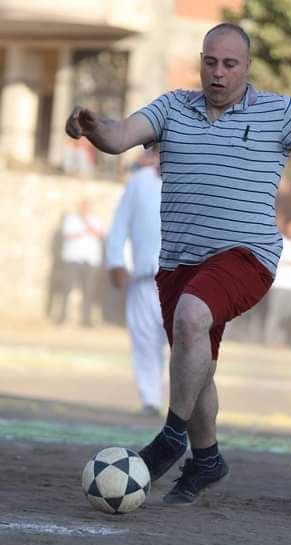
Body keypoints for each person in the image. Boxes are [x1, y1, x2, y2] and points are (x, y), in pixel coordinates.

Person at [65, 22, 291, 506]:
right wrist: (92, 127)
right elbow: (118, 136)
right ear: (201, 62)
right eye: (210, 62)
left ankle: (171, 438)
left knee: (192, 318)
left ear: (247, 67)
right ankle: (207, 460)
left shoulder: (281, 112)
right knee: (196, 364)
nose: (218, 73)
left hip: (247, 256)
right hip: (178, 264)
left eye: (229, 64)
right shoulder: (172, 107)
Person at [106, 148, 166, 417]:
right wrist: (115, 261)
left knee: (187, 342)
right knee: (144, 340)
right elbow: (120, 224)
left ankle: (186, 405)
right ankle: (151, 399)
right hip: (144, 276)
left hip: (184, 278)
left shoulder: (196, 181)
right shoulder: (139, 182)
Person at [56, 200, 104, 326]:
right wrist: (83, 231)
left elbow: (99, 234)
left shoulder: (95, 220)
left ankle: (86, 319)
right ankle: (62, 316)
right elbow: (68, 235)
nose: (84, 209)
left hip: (91, 260)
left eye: (86, 207)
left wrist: (88, 226)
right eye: (83, 207)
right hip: (73, 258)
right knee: (67, 288)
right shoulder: (71, 220)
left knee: (88, 290)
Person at [264, 219, 291, 346]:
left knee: (287, 315)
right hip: (279, 284)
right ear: (288, 228)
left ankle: (280, 341)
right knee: (275, 313)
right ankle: (270, 340)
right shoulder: (280, 241)